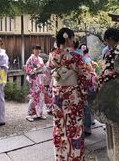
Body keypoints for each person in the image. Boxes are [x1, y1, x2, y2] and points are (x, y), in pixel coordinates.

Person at [49, 28, 94, 161]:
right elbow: (85, 77)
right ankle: (74, 157)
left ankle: (61, 156)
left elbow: (50, 71)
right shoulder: (76, 57)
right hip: (72, 96)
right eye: (72, 38)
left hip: (57, 95)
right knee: (74, 126)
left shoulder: (53, 55)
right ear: (68, 39)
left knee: (59, 125)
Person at [25, 45, 46, 122]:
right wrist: (37, 69)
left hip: (40, 79)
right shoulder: (30, 59)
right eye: (36, 49)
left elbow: (43, 68)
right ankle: (29, 114)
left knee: (41, 96)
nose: (38, 51)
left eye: (39, 49)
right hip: (34, 80)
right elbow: (28, 71)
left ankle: (39, 113)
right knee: (34, 96)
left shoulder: (40, 59)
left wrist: (42, 72)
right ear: (33, 50)